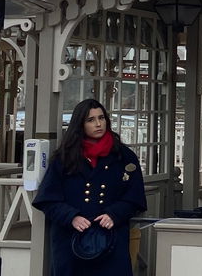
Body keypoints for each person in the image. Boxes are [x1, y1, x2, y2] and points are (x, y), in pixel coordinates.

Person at [33, 98, 147, 276]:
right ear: (80, 124)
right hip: (71, 239)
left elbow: (135, 196)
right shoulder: (65, 157)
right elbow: (47, 199)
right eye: (91, 120)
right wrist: (71, 217)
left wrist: (114, 214)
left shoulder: (124, 156)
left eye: (101, 118)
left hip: (110, 238)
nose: (98, 124)